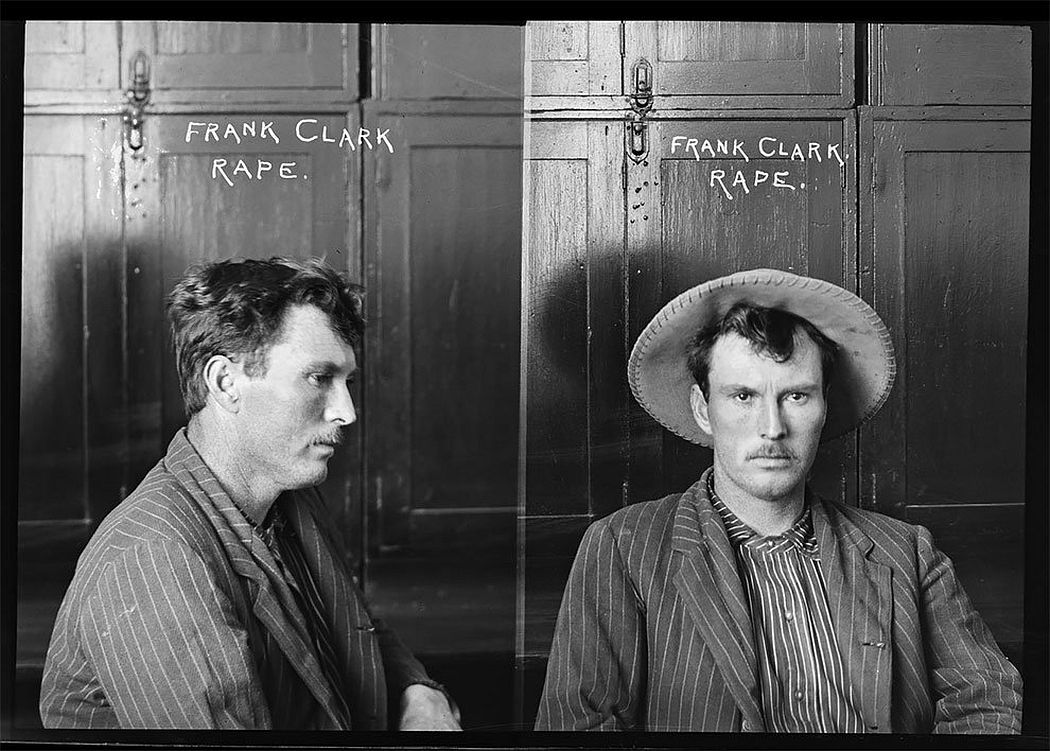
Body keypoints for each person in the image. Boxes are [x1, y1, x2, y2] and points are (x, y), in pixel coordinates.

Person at [535, 268, 1023, 733]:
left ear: (824, 405)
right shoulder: (622, 549)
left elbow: (987, 697)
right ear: (703, 410)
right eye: (743, 397)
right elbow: (581, 728)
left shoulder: (908, 553)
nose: (772, 427)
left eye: (796, 396)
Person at [40, 257, 461, 730]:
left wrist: (417, 690)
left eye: (348, 383)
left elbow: (355, 628)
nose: (346, 411)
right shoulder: (154, 557)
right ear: (225, 383)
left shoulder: (288, 493)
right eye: (319, 378)